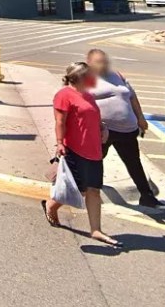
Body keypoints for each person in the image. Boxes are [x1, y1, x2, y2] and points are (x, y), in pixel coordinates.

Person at [42, 61, 120, 248]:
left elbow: (94, 116)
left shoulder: (88, 95)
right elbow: (60, 122)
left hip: (94, 150)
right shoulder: (64, 95)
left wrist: (102, 128)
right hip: (74, 150)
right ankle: (51, 205)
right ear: (79, 78)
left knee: (93, 190)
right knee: (75, 189)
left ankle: (96, 230)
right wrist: (60, 143)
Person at [87, 48, 162, 209]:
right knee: (95, 162)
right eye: (99, 61)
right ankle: (88, 192)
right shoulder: (85, 79)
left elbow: (132, 97)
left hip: (127, 130)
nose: (103, 64)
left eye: (105, 61)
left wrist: (140, 118)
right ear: (90, 63)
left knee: (134, 163)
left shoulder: (117, 76)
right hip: (103, 131)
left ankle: (147, 197)